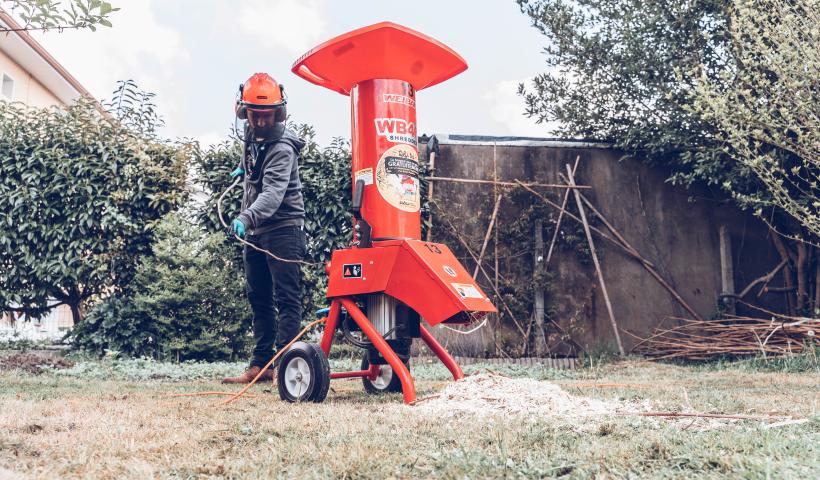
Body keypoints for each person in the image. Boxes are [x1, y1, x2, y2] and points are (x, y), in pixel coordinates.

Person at [222, 73, 307, 384]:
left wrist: (246, 218)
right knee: (258, 297)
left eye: (266, 115)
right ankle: (261, 365)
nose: (259, 122)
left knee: (286, 298)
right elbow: (255, 161)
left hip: (284, 228)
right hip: (259, 231)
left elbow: (272, 194)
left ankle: (286, 367)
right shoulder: (250, 132)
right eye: (254, 115)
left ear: (278, 112)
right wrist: (246, 166)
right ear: (245, 112)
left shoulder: (283, 148)